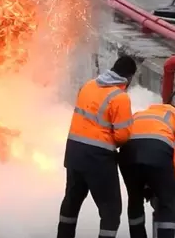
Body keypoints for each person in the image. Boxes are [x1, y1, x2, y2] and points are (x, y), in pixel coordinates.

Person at [57, 55, 137, 238]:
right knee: (111, 210)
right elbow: (123, 136)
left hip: (74, 152)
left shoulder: (89, 85)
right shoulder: (120, 97)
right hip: (98, 159)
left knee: (72, 201)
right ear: (129, 77)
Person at [118, 103, 175, 238]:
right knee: (167, 205)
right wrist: (172, 189)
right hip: (158, 155)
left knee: (135, 199)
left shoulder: (138, 115)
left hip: (127, 156)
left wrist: (147, 185)